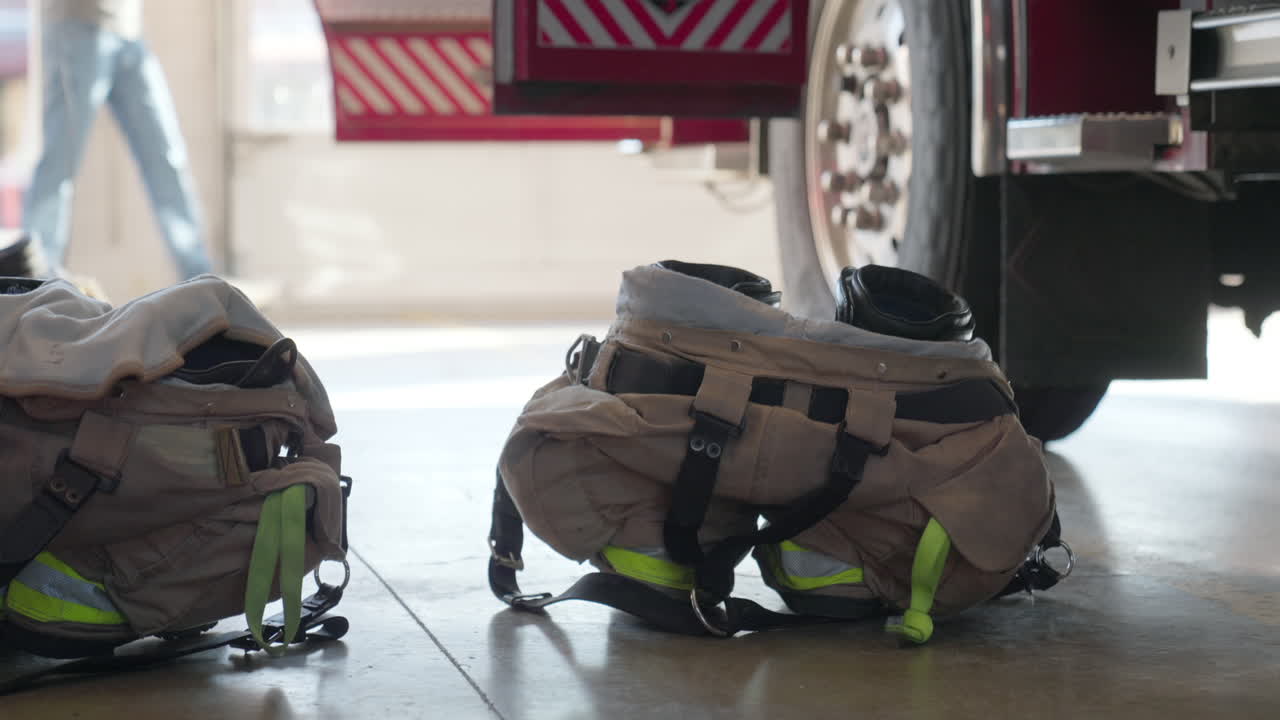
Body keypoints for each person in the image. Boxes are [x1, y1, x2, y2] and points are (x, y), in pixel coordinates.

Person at [23, 0, 213, 280]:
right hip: (76, 25)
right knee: (59, 164)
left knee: (167, 159)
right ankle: (34, 282)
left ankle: (203, 278)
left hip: (128, 29)